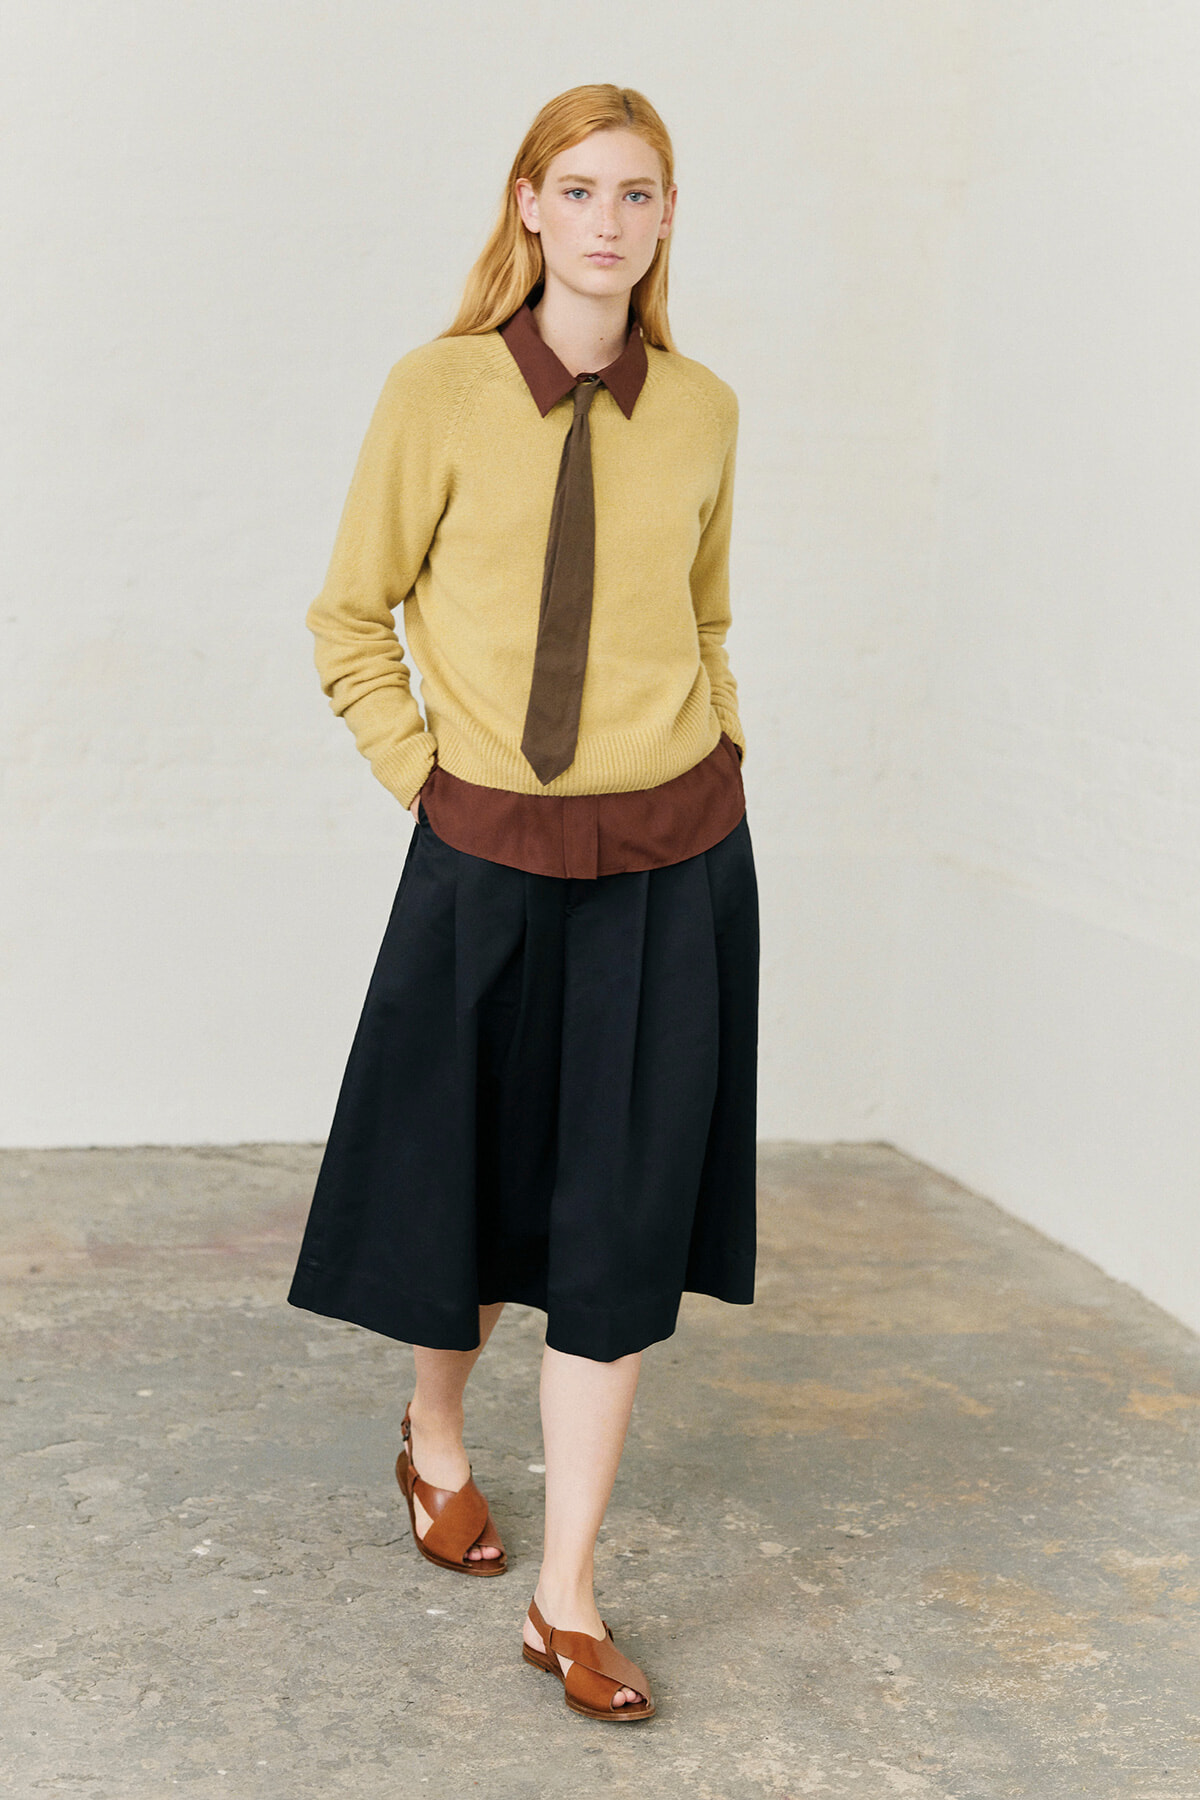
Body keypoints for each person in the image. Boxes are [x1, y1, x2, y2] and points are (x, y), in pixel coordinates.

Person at [287, 82, 759, 1724]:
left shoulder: (701, 410)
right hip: (486, 857)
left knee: (615, 1226)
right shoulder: (436, 395)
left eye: (643, 192)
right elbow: (352, 616)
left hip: (669, 867)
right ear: (530, 208)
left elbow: (704, 617)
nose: (613, 219)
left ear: (665, 219)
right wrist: (428, 779)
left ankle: (567, 1594)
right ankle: (431, 1441)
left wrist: (721, 751)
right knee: (464, 1191)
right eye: (583, 188)